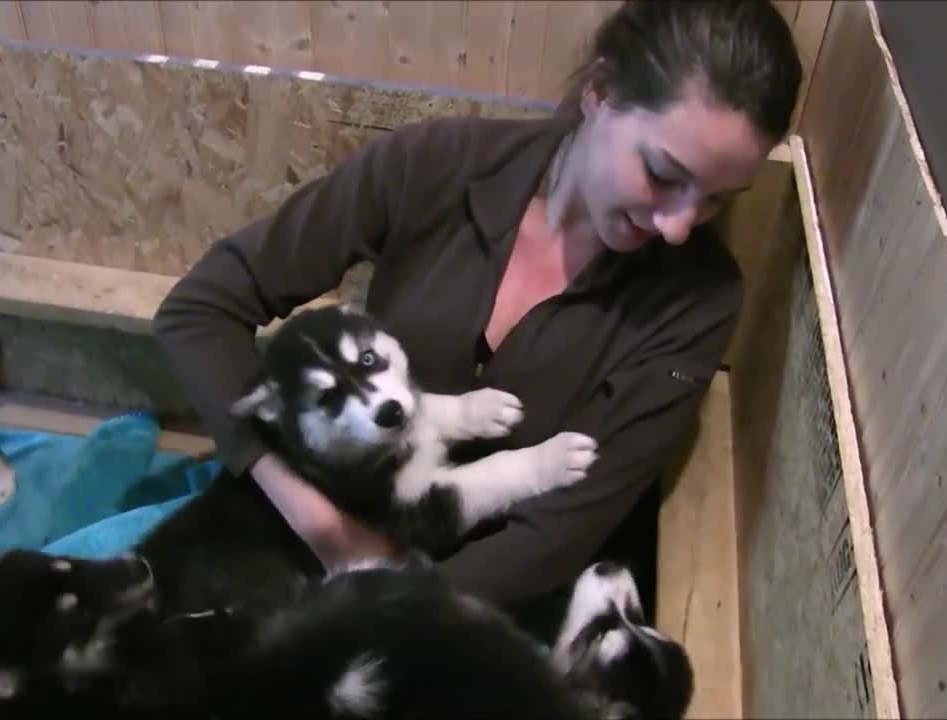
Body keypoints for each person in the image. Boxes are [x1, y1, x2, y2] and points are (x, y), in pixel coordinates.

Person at [152, 0, 803, 626]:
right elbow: (200, 311)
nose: (681, 226)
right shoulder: (434, 164)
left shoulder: (697, 301)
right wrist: (317, 520)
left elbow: (554, 537)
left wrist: (375, 606)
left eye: (718, 199)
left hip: (450, 607)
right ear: (600, 92)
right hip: (303, 520)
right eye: (663, 174)